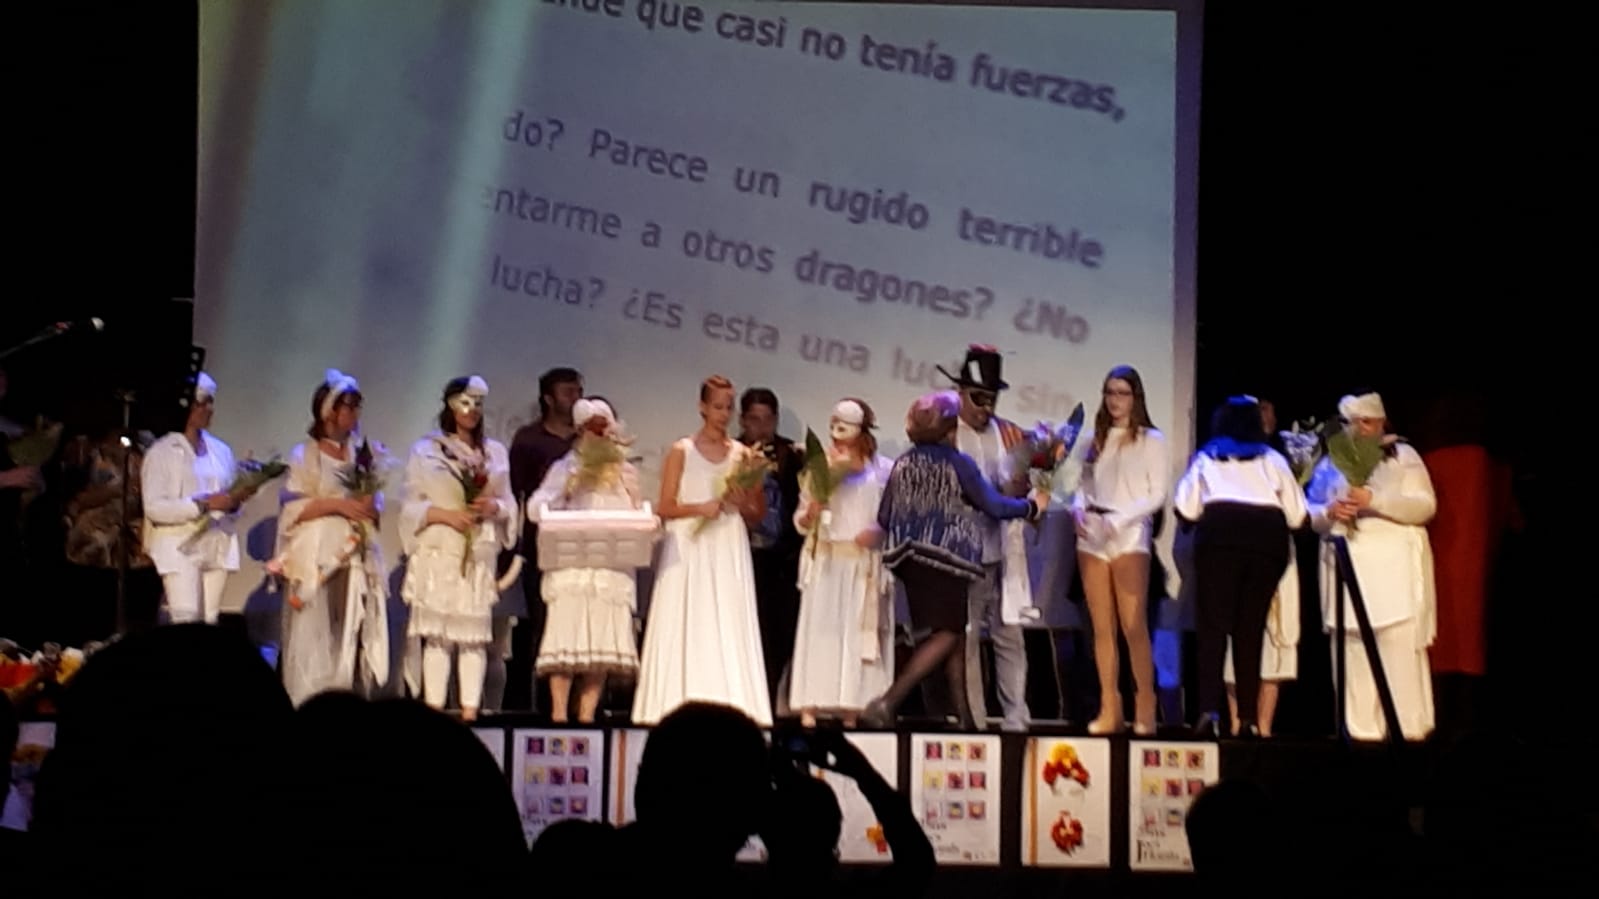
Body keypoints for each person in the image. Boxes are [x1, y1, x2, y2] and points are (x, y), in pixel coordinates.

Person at [864, 390, 1047, 729]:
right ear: (950, 431)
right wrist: (1031, 507)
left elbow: (884, 515)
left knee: (956, 635)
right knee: (948, 633)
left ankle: (966, 718)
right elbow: (994, 506)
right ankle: (889, 701)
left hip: (908, 562)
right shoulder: (957, 463)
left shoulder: (903, 462)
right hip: (946, 560)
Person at [632, 375, 772, 727]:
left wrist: (742, 502)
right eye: (717, 406)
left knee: (726, 617)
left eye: (728, 407)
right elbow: (665, 506)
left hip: (727, 545)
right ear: (702, 407)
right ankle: (672, 701)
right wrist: (700, 508)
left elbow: (757, 514)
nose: (723, 414)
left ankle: (733, 702)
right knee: (686, 617)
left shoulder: (743, 455)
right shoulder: (682, 451)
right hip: (688, 545)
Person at [1305, 392, 1437, 741]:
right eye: (1351, 422)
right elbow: (1309, 511)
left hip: (1394, 573)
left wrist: (1374, 500)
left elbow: (1425, 506)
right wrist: (1330, 511)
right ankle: (1360, 733)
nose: (1358, 429)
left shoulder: (1403, 456)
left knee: (1399, 659)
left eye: (1366, 422)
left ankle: (1407, 734)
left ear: (1381, 423)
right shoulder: (1331, 462)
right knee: (1354, 658)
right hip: (1348, 568)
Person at [1174, 396, 1307, 738]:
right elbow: (1297, 516)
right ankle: (1248, 719)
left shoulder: (1208, 456)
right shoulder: (1273, 459)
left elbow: (1185, 508)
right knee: (1250, 629)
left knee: (1213, 629)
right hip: (1265, 544)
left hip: (1219, 541)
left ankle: (1208, 713)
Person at [399, 376, 516, 721]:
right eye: (465, 402)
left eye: (478, 403)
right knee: (438, 636)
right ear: (450, 406)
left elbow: (508, 501)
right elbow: (410, 503)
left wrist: (495, 507)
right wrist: (445, 515)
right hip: (440, 549)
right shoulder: (426, 450)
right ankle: (434, 711)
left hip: (477, 550)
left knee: (473, 636)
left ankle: (470, 711)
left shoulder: (495, 452)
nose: (472, 410)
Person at [528, 397, 647, 723]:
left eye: (604, 428)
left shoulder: (625, 472)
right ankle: (558, 715)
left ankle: (587, 717)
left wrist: (641, 512)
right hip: (572, 569)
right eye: (593, 429)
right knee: (566, 643)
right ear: (581, 432)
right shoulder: (565, 468)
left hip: (609, 568)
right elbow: (536, 509)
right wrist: (566, 488)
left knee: (599, 648)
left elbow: (640, 514)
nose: (600, 435)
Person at [275, 370, 389, 706]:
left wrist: (368, 503)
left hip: (353, 553)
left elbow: (373, 505)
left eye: (357, 406)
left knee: (348, 627)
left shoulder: (361, 456)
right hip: (317, 554)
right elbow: (293, 508)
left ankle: (343, 696)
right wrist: (338, 505)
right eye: (348, 406)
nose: (354, 413)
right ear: (328, 412)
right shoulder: (304, 455)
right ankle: (308, 700)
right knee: (314, 628)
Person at [940, 344, 1036, 732]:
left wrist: (1022, 486)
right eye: (978, 398)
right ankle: (975, 719)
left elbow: (1020, 484)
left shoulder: (1008, 433)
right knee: (967, 638)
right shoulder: (946, 434)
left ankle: (1016, 714)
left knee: (1009, 634)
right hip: (962, 552)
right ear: (961, 393)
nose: (986, 407)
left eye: (992, 399)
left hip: (1002, 550)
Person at [1072, 364, 1168, 735]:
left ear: (1135, 397)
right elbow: (1081, 484)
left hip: (1129, 534)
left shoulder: (1150, 439)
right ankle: (1109, 708)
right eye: (1110, 392)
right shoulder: (1094, 439)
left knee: (1133, 626)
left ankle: (1145, 707)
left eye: (1122, 393)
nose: (1115, 400)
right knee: (1102, 629)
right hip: (1093, 535)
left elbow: (1156, 493)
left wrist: (1123, 518)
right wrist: (1078, 508)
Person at [788, 399, 893, 728]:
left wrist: (879, 531)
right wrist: (811, 512)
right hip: (828, 563)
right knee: (822, 635)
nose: (837, 437)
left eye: (845, 429)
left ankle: (853, 706)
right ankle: (811, 703)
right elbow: (800, 520)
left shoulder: (883, 471)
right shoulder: (820, 470)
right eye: (834, 428)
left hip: (862, 564)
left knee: (856, 636)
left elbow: (894, 516)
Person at [139, 373, 248, 625]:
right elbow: (154, 507)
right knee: (186, 620)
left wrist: (235, 500)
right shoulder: (162, 452)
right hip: (180, 546)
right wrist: (202, 504)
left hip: (215, 543)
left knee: (209, 621)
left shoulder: (221, 451)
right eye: (202, 403)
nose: (209, 409)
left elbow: (228, 498)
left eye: (210, 402)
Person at [508, 366, 583, 713]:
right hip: (541, 548)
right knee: (540, 628)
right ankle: (539, 709)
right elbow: (517, 495)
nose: (575, 398)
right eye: (568, 392)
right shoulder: (528, 439)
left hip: (582, 549)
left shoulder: (587, 442)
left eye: (578, 391)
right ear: (548, 399)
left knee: (579, 628)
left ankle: (581, 708)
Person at [737, 388, 805, 711]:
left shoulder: (793, 454)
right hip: (744, 560)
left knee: (782, 637)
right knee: (749, 636)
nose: (761, 427)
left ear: (776, 420)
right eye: (754, 419)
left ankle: (774, 705)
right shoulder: (733, 453)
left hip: (783, 562)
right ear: (742, 420)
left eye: (767, 419)